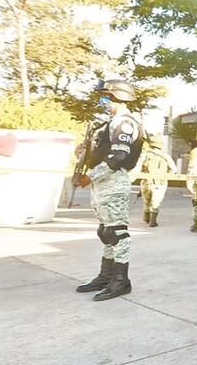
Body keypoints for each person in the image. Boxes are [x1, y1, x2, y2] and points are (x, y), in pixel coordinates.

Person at [75, 79, 143, 301]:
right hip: (103, 182)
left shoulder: (124, 123)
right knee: (105, 231)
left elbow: (118, 157)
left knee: (117, 233)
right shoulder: (109, 123)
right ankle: (106, 277)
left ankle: (121, 281)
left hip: (113, 181)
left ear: (118, 97)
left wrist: (89, 177)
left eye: (105, 96)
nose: (102, 100)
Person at [134, 134, 176, 228]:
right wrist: (165, 176)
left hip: (146, 182)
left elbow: (137, 168)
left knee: (146, 201)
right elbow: (173, 169)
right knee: (156, 202)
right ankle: (153, 221)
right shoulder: (166, 156)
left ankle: (146, 217)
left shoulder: (144, 155)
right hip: (160, 183)